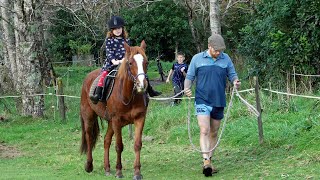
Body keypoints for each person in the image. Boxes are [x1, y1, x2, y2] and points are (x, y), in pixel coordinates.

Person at [184, 34, 241, 177]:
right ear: (209, 46)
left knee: (214, 132)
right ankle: (206, 162)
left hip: (219, 101)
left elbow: (232, 74)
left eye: (220, 51)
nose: (218, 53)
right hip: (202, 99)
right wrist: (187, 89)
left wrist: (236, 81)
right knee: (204, 129)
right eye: (216, 50)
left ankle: (210, 160)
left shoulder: (225, 58)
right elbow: (189, 77)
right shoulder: (197, 58)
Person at [90, 16, 161, 104]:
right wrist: (114, 61)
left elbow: (129, 52)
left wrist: (126, 59)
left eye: (119, 28)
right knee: (104, 75)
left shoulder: (126, 40)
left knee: (142, 74)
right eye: (115, 29)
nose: (118, 30)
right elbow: (109, 53)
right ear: (111, 30)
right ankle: (98, 93)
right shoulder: (109, 40)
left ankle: (150, 90)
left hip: (125, 62)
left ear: (122, 29)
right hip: (112, 63)